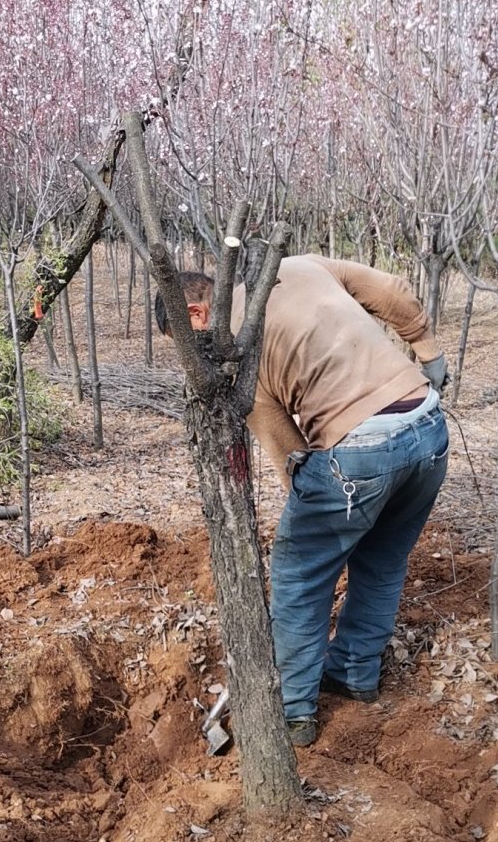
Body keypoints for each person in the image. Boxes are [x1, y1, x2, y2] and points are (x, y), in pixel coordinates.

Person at [155, 255, 449, 747]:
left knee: (298, 577)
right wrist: (429, 354)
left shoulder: (238, 358)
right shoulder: (297, 266)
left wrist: (320, 513)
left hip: (358, 450)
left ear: (197, 315)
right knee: (382, 561)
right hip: (428, 430)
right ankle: (354, 675)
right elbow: (392, 292)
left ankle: (292, 711)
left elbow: (286, 450)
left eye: (184, 342)